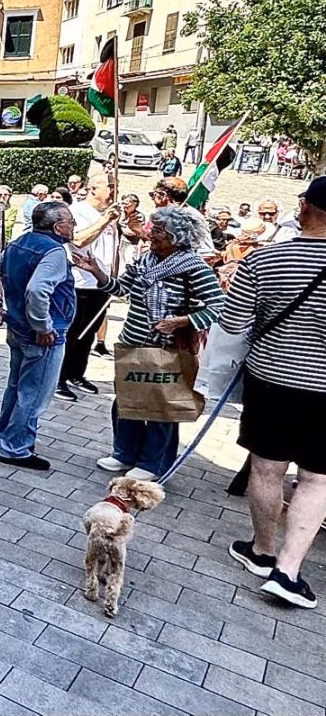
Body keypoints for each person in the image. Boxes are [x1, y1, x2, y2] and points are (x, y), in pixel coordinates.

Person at [221, 177, 326, 609]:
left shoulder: (266, 259)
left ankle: (262, 551)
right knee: (318, 478)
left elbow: (231, 324)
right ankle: (288, 571)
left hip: (272, 379)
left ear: (305, 209)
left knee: (267, 470)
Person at [88, 207, 224, 481]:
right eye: (153, 228)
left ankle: (154, 464)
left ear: (177, 236)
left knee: (162, 408)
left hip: (168, 348)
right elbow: (121, 289)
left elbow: (220, 305)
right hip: (133, 342)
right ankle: (123, 453)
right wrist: (97, 273)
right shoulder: (144, 260)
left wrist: (182, 320)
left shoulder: (194, 267)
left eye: (158, 230)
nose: (151, 234)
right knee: (127, 400)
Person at [0, 200, 80, 471]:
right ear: (58, 227)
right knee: (33, 394)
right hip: (42, 335)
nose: (73, 226)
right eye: (70, 221)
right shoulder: (54, 252)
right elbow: (37, 290)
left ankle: (6, 438)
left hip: (18, 328)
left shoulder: (19, 242)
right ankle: (16, 447)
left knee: (16, 387)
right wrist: (43, 326)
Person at [57, 174, 121, 401]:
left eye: (116, 186)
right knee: (72, 332)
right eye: (110, 186)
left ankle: (76, 373)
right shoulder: (77, 212)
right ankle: (58, 377)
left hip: (100, 283)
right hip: (79, 281)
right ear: (93, 188)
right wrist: (104, 222)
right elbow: (77, 240)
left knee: (89, 333)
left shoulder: (110, 214)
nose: (114, 190)